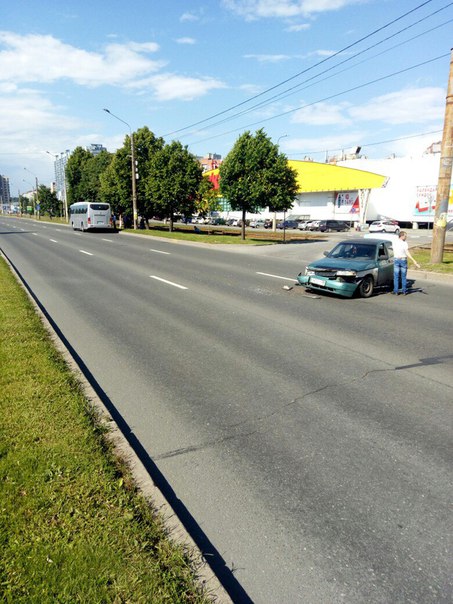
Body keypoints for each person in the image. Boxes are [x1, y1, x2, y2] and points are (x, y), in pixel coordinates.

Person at [392, 231, 420, 295]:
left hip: (396, 259)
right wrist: (413, 260)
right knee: (403, 276)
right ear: (402, 236)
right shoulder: (404, 243)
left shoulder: (394, 242)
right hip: (403, 260)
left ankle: (396, 291)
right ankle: (404, 291)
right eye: (405, 236)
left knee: (396, 276)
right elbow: (407, 253)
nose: (406, 237)